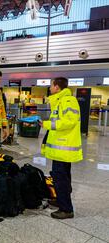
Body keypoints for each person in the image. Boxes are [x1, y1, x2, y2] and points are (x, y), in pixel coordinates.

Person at [40, 77, 83, 220]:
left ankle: (66, 209)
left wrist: (46, 124)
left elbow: (68, 122)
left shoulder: (68, 100)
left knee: (60, 178)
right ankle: (61, 200)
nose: (50, 88)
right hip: (60, 148)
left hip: (63, 147)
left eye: (51, 85)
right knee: (61, 176)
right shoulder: (60, 101)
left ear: (57, 87)